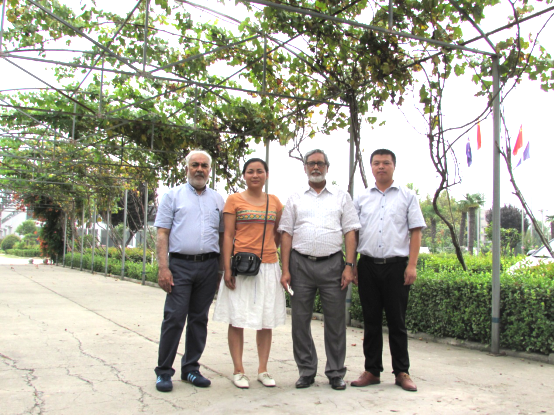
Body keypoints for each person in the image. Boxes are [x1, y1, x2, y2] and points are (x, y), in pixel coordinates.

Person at [279, 149, 361, 391]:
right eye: (311, 163)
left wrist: (349, 266)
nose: (316, 167)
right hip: (300, 266)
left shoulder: (341, 196)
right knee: (299, 321)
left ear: (327, 167)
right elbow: (286, 234)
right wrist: (285, 269)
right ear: (304, 167)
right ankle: (306, 371)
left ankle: (335, 372)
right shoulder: (294, 198)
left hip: (333, 265)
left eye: (320, 163)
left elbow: (350, 232)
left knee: (335, 322)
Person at [351, 149, 426, 392]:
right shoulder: (361, 197)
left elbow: (416, 231)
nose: (381, 166)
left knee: (397, 322)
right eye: (376, 163)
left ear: (394, 166)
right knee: (370, 322)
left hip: (396, 267)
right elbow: (353, 233)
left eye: (386, 163)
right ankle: (372, 371)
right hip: (368, 266)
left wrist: (412, 265)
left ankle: (402, 372)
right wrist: (352, 265)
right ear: (371, 167)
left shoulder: (407, 196)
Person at [153, 150, 225, 393]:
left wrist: (220, 271)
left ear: (209, 170)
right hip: (180, 266)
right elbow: (162, 233)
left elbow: (222, 236)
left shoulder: (218, 200)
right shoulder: (172, 196)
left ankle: (191, 369)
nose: (199, 169)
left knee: (198, 319)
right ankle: (164, 372)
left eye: (204, 165)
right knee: (174, 318)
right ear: (187, 169)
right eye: (195, 165)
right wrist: (163, 268)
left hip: (208, 266)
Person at [213, 158, 286, 390]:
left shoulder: (275, 202)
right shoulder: (234, 200)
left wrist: (269, 250)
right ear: (244, 175)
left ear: (266, 175)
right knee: (237, 318)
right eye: (250, 171)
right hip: (241, 266)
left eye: (260, 171)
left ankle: (263, 370)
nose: (255, 175)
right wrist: (227, 268)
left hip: (268, 266)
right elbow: (227, 235)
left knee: (266, 320)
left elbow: (279, 232)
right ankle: (238, 370)